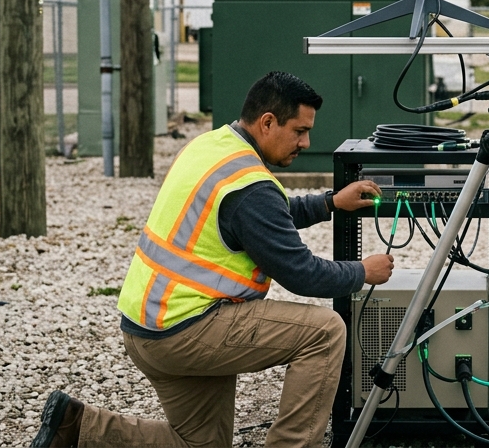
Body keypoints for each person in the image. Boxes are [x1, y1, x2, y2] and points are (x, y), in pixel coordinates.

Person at [31, 71, 396, 448]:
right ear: (267, 122)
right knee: (325, 332)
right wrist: (361, 271)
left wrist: (329, 203)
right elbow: (303, 274)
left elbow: (267, 215)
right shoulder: (251, 187)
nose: (306, 141)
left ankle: (76, 427)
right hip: (186, 329)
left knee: (201, 443)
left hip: (147, 327)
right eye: (299, 131)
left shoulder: (213, 146)